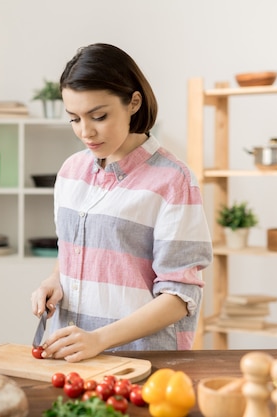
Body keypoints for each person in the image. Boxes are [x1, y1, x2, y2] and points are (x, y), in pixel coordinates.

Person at [30, 43, 213, 362]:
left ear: (134, 102)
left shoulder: (173, 180)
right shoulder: (71, 172)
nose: (86, 132)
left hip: (141, 363)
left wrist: (99, 339)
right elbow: (74, 249)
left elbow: (180, 296)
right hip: (73, 357)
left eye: (98, 116)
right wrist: (54, 280)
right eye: (74, 119)